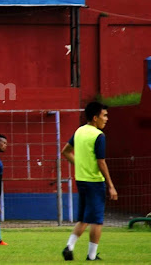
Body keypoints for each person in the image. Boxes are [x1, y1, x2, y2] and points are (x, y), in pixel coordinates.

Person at [61, 102, 117, 261]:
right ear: (95, 117)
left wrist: (79, 164)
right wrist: (111, 185)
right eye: (104, 116)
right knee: (97, 220)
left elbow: (65, 152)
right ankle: (91, 256)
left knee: (84, 218)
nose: (106, 119)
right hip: (94, 182)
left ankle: (70, 246)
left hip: (81, 181)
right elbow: (101, 162)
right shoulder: (98, 135)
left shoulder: (79, 131)